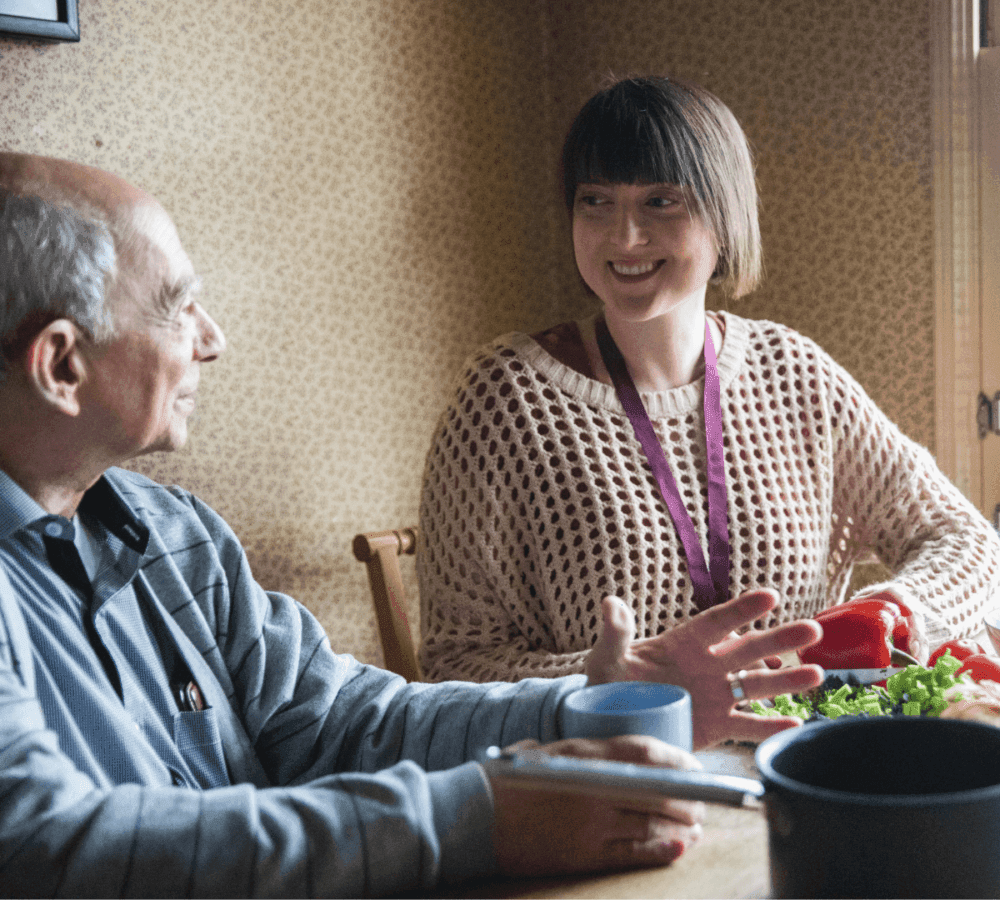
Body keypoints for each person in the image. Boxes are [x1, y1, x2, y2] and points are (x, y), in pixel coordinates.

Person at [0, 152, 825, 897]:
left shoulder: (175, 532)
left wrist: (585, 704)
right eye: (179, 308)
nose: (213, 339)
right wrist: (479, 818)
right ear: (63, 364)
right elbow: (47, 851)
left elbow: (341, 723)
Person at [418, 75, 1000, 688]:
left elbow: (966, 541)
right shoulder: (504, 399)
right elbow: (457, 661)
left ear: (724, 214)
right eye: (596, 201)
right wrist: (622, 676)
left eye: (660, 201)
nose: (624, 237)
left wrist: (888, 612)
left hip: (797, 753)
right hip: (620, 765)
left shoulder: (794, 372)